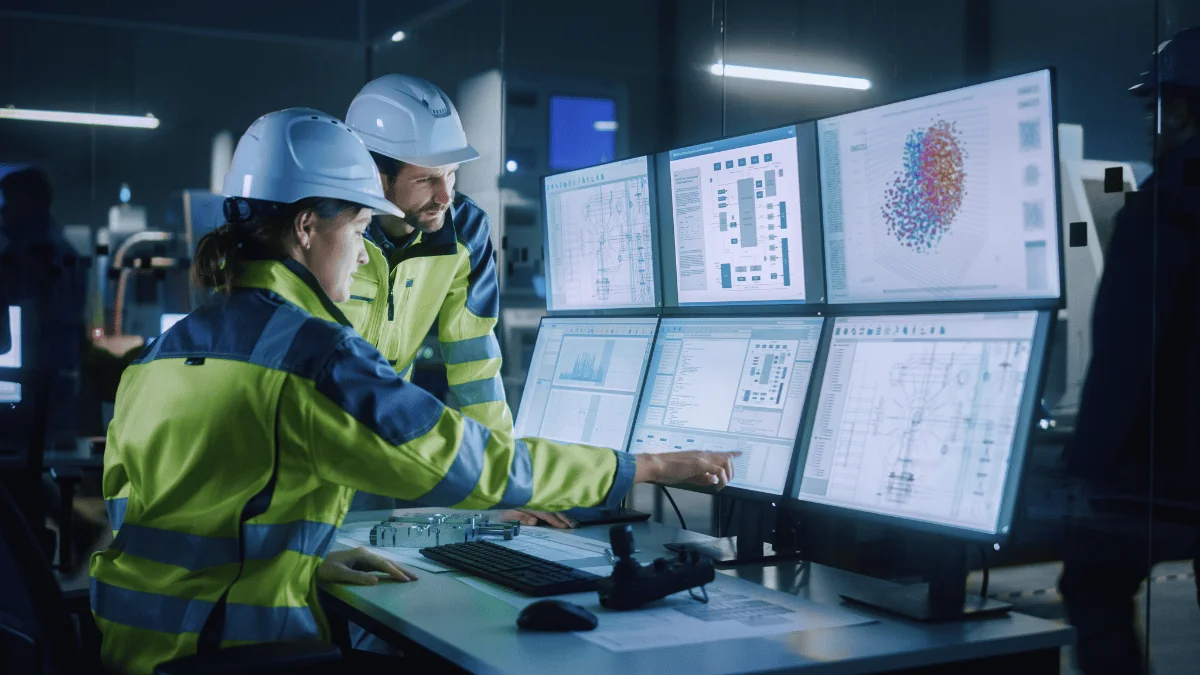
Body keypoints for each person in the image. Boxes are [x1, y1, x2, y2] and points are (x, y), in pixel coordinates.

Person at [88, 107, 737, 675]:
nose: (363, 253)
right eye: (359, 227)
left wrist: (304, 561)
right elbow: (463, 459)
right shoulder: (310, 355)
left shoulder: (164, 354)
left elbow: (154, 514)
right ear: (310, 227)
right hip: (234, 649)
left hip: (133, 649)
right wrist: (641, 466)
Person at [340, 76, 579, 526]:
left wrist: (504, 483)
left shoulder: (465, 230)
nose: (446, 196)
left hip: (374, 452)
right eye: (428, 179)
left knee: (361, 572)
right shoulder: (328, 231)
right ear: (375, 175)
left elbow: (474, 365)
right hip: (301, 444)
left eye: (452, 174)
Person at [1059, 27, 1200, 675]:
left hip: (1158, 464)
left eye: (1157, 107)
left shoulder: (1159, 207)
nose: (1152, 122)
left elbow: (1125, 352)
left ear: (1182, 108)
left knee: (1093, 586)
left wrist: (1082, 462)